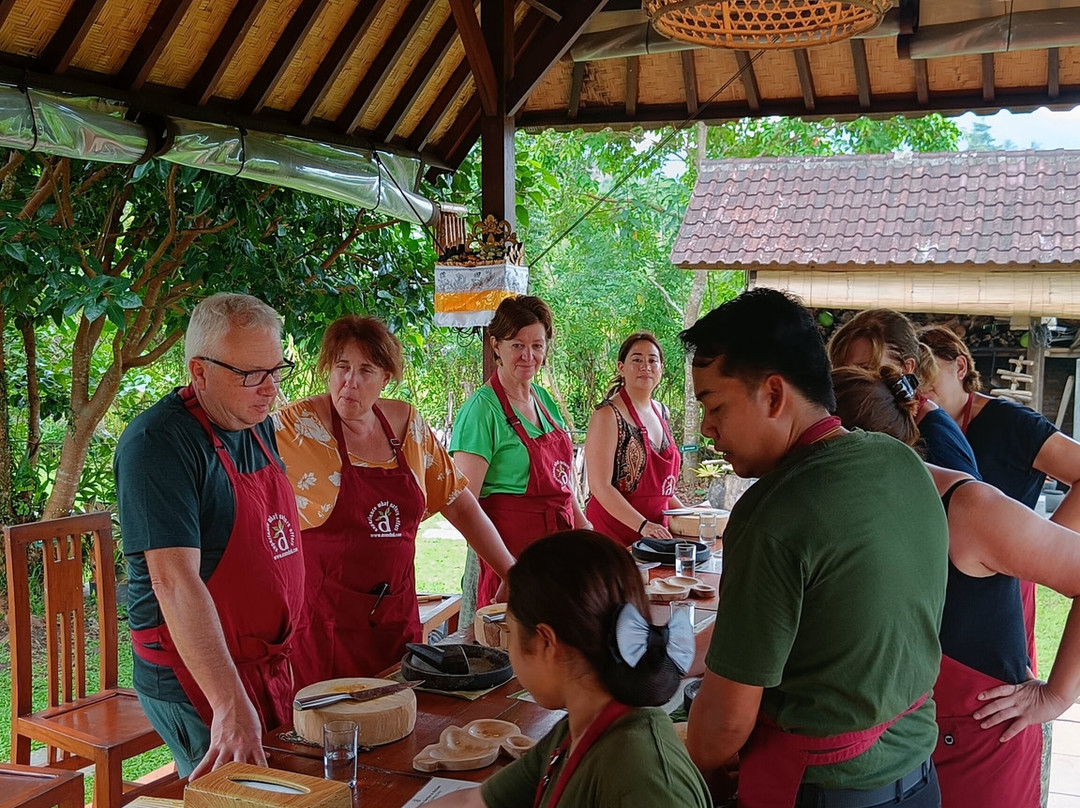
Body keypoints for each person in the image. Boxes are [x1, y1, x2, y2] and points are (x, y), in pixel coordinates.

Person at [682, 289, 947, 808]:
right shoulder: (902, 463)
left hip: (827, 792)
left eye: (715, 407)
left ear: (774, 395)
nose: (709, 429)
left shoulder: (772, 515)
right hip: (919, 778)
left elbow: (723, 727)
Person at [832, 365, 1080, 808]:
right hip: (899, 754)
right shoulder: (847, 514)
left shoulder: (968, 507)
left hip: (981, 747)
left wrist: (1056, 696)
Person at [115, 293, 304, 779]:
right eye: (250, 375)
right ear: (199, 372)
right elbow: (174, 582)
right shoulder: (157, 444)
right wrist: (229, 703)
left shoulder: (255, 423)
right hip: (196, 675)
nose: (269, 390)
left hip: (263, 663)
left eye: (275, 369)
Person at [273, 315, 516, 682]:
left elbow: (456, 499)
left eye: (365, 371)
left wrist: (509, 568)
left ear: (386, 378)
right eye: (341, 367)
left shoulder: (407, 425)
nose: (349, 383)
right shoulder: (295, 426)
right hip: (325, 626)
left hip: (394, 615)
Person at [425, 530, 711, 808]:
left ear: (546, 643)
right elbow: (473, 801)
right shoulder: (572, 733)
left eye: (511, 634)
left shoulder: (645, 778)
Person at [919, 323, 1080, 669]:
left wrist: (1041, 549)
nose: (919, 385)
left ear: (960, 367)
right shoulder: (919, 427)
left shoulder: (1010, 422)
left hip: (1003, 584)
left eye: (927, 371)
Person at [450, 295, 589, 609]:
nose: (529, 356)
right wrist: (509, 571)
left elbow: (562, 485)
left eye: (537, 346)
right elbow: (462, 506)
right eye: (517, 345)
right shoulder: (481, 411)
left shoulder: (542, 399)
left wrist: (586, 530)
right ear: (495, 345)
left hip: (558, 557)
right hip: (510, 564)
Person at [828, 308, 980, 478]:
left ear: (906, 368)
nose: (850, 381)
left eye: (866, 369)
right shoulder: (857, 417)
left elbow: (974, 500)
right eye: (843, 370)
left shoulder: (935, 434)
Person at [584, 332, 683, 544]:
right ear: (621, 367)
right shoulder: (607, 414)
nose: (645, 366)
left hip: (656, 535)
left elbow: (662, 492)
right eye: (636, 359)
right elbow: (600, 486)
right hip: (612, 535)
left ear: (661, 368)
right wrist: (643, 525)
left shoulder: (663, 412)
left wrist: (690, 515)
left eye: (652, 360)